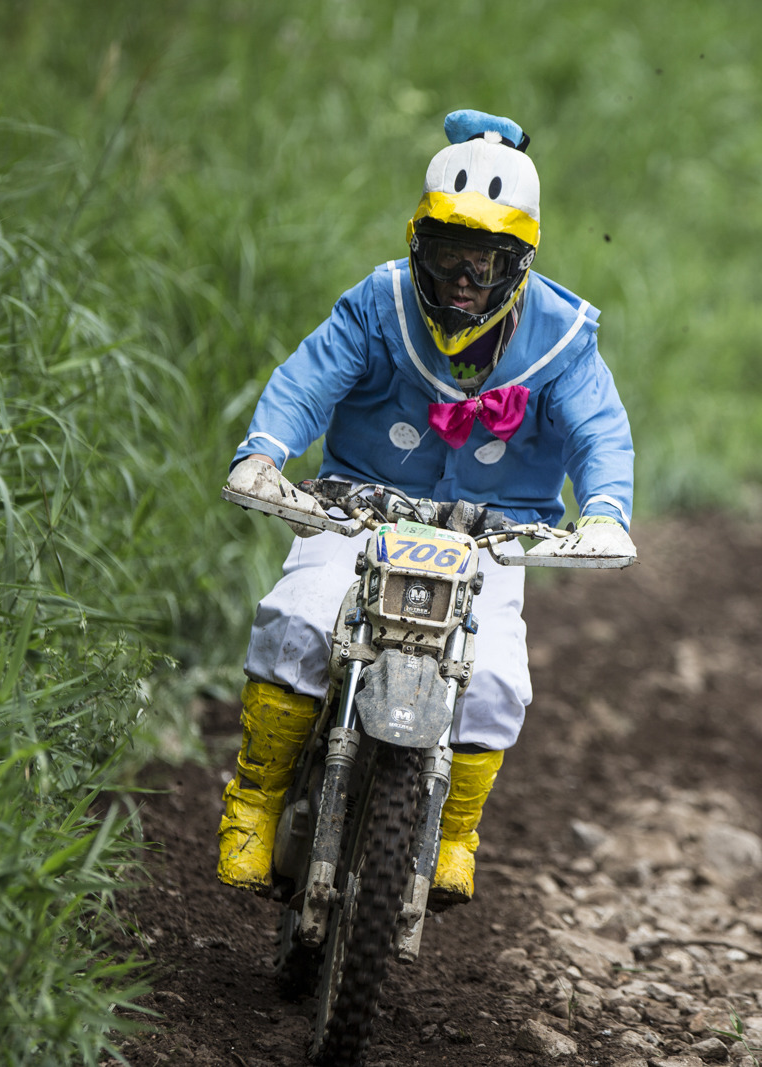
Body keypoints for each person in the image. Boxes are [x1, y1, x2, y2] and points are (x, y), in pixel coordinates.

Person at [216, 110, 636, 911]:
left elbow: (598, 430)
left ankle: (452, 832)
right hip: (359, 509)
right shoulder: (379, 306)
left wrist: (605, 509)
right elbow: (310, 377)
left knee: (499, 679)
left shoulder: (562, 339)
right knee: (301, 616)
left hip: (492, 537)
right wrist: (266, 451)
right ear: (419, 245)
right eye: (446, 259)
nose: (462, 282)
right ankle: (256, 799)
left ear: (519, 262)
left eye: (484, 264)